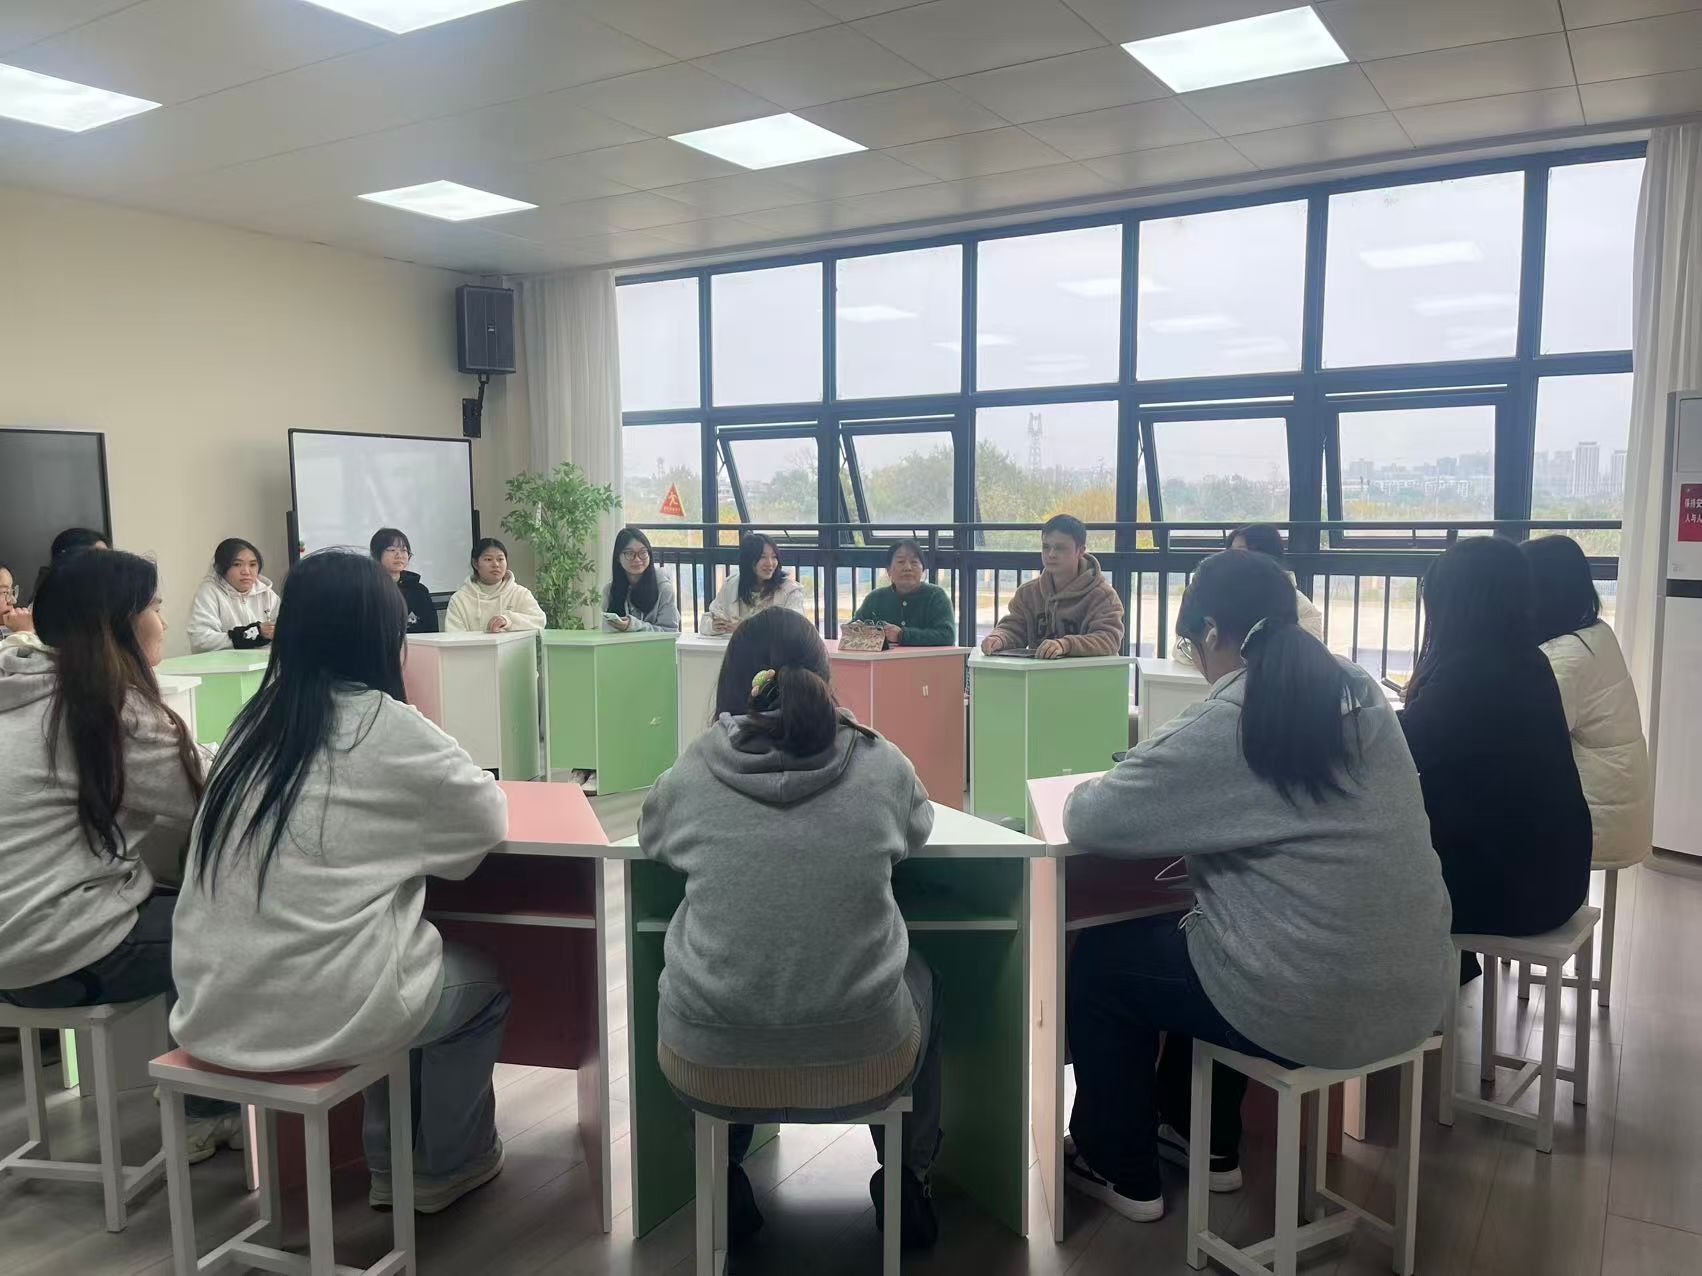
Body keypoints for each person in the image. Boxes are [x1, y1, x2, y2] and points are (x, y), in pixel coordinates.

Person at [1058, 549, 1453, 1222]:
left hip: (1312, 1007)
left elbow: (1091, 817)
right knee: (1207, 938)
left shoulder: (1236, 713)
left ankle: (1117, 1165)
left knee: (1104, 964)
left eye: (1194, 648)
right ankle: (1202, 1139)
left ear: (1213, 632)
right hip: (1419, 991)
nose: (1197, 663)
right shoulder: (1359, 689)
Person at [172, 549, 511, 1215]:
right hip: (323, 1014)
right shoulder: (387, 725)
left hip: (211, 1008)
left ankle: (386, 1161)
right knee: (476, 985)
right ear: (382, 637)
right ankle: (443, 1164)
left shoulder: (251, 725)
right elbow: (484, 819)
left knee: (388, 962)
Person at [639, 607, 943, 1249]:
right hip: (866, 1062)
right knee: (919, 976)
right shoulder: (880, 762)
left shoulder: (693, 771)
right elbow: (918, 826)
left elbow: (651, 834)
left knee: (710, 986)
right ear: (824, 679)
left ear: (733, 683)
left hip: (707, 1067)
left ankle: (721, 1178)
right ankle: (908, 1180)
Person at [0, 549, 241, 1161]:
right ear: (120, 624)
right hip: (58, 953)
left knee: (182, 899)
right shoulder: (106, 708)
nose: (163, 621)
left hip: (12, 956)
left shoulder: (21, 690)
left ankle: (198, 1096)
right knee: (231, 926)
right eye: (155, 607)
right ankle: (206, 1110)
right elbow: (211, 798)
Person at [1401, 536, 1591, 941]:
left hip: (1511, 894)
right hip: (1559, 879)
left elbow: (1403, 747)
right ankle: (1458, 971)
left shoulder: (1471, 671)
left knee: (1366, 873)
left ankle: (1433, 974)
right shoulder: (1528, 659)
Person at [1523, 535, 1652, 872]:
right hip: (1616, 807)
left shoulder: (1565, 658)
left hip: (1593, 818)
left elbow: (1529, 736)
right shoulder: (1595, 633)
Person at [980, 514, 1124, 659]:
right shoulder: (1027, 593)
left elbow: (1109, 638)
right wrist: (999, 638)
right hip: (1040, 672)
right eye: (1046, 547)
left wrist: (1065, 645)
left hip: (1089, 673)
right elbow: (1015, 628)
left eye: (1060, 548)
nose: (1051, 554)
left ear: (1080, 551)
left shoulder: (1103, 596)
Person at [1227, 524, 1324, 641]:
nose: (1231, 559)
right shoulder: (1226, 598)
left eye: (1241, 552)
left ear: (1266, 556)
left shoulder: (1302, 610)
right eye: (1231, 552)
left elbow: (1305, 651)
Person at [699, 533, 807, 636]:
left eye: (774, 557)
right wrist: (713, 626)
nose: (770, 563)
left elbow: (796, 629)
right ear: (748, 560)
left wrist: (746, 629)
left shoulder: (790, 591)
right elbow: (706, 621)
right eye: (762, 557)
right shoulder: (731, 585)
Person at [853, 540, 956, 647]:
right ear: (888, 570)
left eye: (914, 562)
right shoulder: (875, 598)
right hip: (885, 658)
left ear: (923, 570)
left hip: (924, 658)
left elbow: (947, 636)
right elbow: (851, 631)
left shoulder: (936, 596)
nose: (908, 568)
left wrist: (902, 635)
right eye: (900, 562)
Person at [187, 537, 279, 652]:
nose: (246, 571)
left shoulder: (267, 594)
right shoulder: (209, 592)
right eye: (237, 564)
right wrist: (250, 634)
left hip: (263, 662)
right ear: (221, 568)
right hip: (222, 663)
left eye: (252, 565)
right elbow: (200, 640)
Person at [14, 526, 110, 633]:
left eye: (108, 558)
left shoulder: (108, 596)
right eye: (100, 557)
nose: (108, 565)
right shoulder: (47, 603)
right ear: (69, 558)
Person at [445, 538, 547, 634]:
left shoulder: (520, 594)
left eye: (500, 559)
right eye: (488, 559)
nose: (496, 564)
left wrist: (507, 620)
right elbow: (454, 637)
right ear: (475, 563)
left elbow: (539, 620)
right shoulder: (459, 599)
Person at [603, 526, 680, 632]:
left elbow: (670, 632)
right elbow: (607, 632)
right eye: (629, 553)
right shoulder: (609, 591)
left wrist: (632, 626)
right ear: (618, 558)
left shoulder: (664, 589)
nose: (637, 559)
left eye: (643, 553)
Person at [370, 527, 438, 634]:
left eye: (403, 550)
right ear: (376, 554)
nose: (399, 555)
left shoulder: (419, 591)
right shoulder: (367, 590)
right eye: (392, 550)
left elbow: (433, 632)